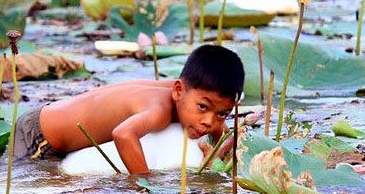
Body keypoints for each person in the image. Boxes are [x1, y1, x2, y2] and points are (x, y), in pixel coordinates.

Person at [12, 44, 245, 174]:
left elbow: (215, 123)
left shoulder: (187, 96)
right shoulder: (159, 110)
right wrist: (143, 181)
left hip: (54, 125)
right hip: (39, 136)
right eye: (203, 107)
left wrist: (223, 144)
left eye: (222, 114)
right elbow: (123, 134)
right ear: (177, 91)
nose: (208, 121)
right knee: (14, 182)